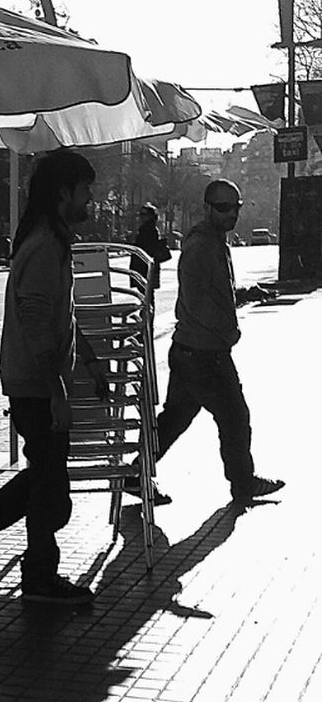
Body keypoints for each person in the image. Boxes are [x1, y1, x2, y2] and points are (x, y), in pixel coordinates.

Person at [0, 150, 109, 604]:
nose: (90, 198)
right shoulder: (44, 245)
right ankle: (37, 578)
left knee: (46, 481)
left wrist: (88, 360)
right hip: (36, 385)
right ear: (63, 193)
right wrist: (56, 390)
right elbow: (35, 320)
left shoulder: (51, 239)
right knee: (52, 494)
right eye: (85, 190)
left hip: (37, 382)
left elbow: (62, 318)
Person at [124, 179, 283, 505]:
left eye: (235, 208)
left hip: (191, 350)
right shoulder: (202, 246)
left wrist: (246, 295)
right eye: (223, 208)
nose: (231, 215)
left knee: (173, 421)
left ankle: (136, 473)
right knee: (235, 417)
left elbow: (215, 297)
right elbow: (196, 302)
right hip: (204, 353)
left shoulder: (214, 242)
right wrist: (227, 330)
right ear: (208, 208)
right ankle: (243, 484)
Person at [130, 203, 171, 292]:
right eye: (141, 214)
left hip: (145, 267)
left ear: (151, 216)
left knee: (146, 293)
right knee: (146, 293)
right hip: (145, 266)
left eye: (145, 214)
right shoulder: (147, 229)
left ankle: (148, 306)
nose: (141, 217)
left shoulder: (148, 230)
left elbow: (148, 248)